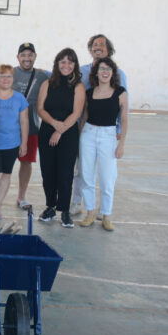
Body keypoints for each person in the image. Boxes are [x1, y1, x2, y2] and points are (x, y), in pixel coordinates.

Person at [71, 33, 128, 216]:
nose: (98, 47)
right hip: (85, 129)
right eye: (95, 44)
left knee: (106, 176)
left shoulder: (120, 75)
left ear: (109, 50)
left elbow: (123, 107)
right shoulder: (82, 71)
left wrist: (118, 132)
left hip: (107, 131)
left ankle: (105, 213)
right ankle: (77, 203)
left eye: (102, 45)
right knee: (82, 171)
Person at [36, 48, 86, 228]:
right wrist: (53, 124)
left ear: (74, 65)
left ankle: (64, 211)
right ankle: (50, 207)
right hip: (47, 131)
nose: (66, 65)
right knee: (48, 171)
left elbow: (76, 113)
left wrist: (60, 130)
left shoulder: (78, 86)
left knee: (65, 173)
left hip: (68, 133)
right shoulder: (47, 84)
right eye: (63, 62)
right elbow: (40, 109)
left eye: (70, 62)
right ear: (57, 64)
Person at [0, 64, 28, 220]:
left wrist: (24, 143)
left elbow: (24, 121)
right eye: (2, 76)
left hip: (12, 144)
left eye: (9, 76)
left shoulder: (19, 98)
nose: (6, 79)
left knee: (6, 175)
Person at [12, 43, 50, 209]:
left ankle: (21, 197)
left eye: (30, 55)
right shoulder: (10, 73)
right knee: (0, 164)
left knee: (26, 162)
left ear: (35, 56)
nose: (27, 58)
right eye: (23, 55)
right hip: (9, 128)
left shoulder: (43, 76)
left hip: (32, 127)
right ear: (18, 57)